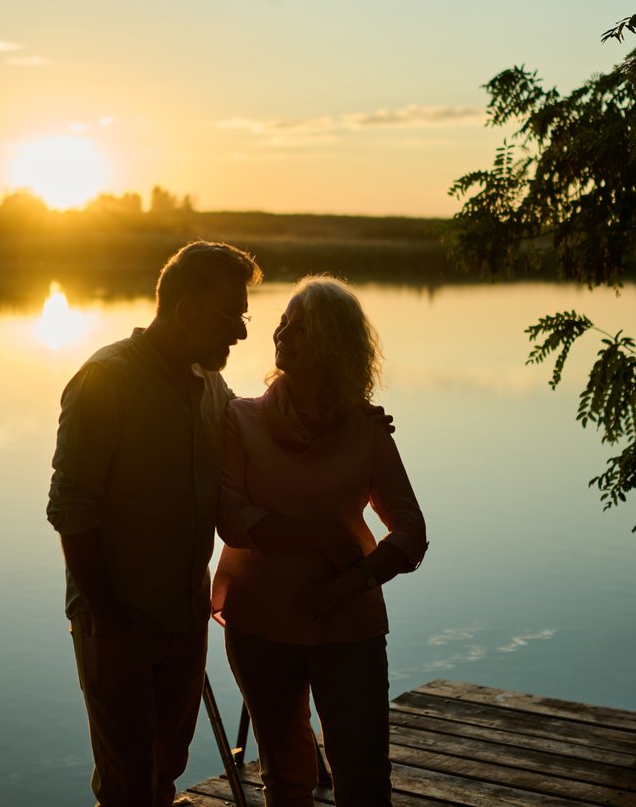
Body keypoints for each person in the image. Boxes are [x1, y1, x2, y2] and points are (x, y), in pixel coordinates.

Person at [47, 240, 263, 807]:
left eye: (245, 316)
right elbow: (71, 508)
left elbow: (261, 438)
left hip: (184, 615)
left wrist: (350, 422)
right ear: (185, 311)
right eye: (230, 316)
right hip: (117, 618)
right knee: (126, 782)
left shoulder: (210, 387)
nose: (241, 332)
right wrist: (109, 619)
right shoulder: (105, 380)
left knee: (167, 764)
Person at [212, 275, 427, 807]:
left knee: (364, 772)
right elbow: (232, 520)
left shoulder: (367, 428)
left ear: (332, 343)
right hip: (259, 621)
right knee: (285, 775)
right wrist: (318, 538)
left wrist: (351, 582)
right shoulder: (240, 418)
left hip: (347, 623)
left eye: (299, 326)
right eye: (283, 321)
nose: (281, 331)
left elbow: (411, 530)